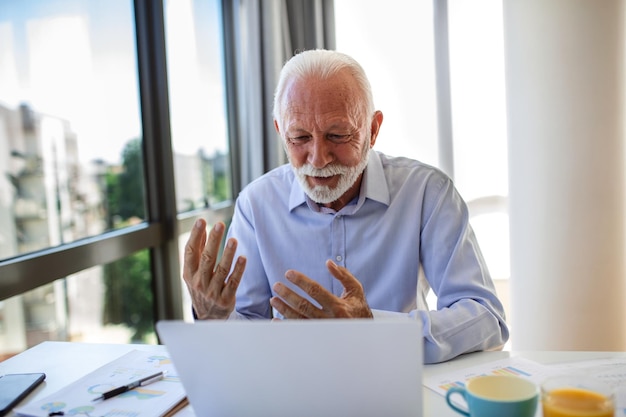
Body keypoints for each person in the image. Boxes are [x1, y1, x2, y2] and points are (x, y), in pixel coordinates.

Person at [183, 49, 509, 363]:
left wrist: (373, 329)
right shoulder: (256, 205)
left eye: (337, 135)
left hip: (394, 386)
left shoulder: (427, 192)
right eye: (299, 138)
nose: (318, 158)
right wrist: (215, 319)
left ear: (373, 129)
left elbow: (486, 318)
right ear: (280, 131)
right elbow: (250, 328)